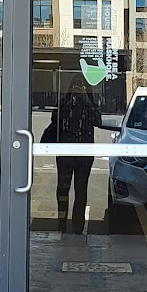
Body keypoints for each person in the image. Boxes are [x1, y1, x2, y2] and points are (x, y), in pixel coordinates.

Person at [49, 77, 100, 233]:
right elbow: (54, 119)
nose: (78, 90)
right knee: (62, 189)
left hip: (84, 154)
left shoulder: (90, 104)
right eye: (75, 87)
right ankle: (61, 223)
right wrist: (69, 101)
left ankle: (78, 227)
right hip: (65, 153)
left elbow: (98, 120)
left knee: (81, 190)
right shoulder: (63, 103)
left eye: (82, 87)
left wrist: (86, 100)